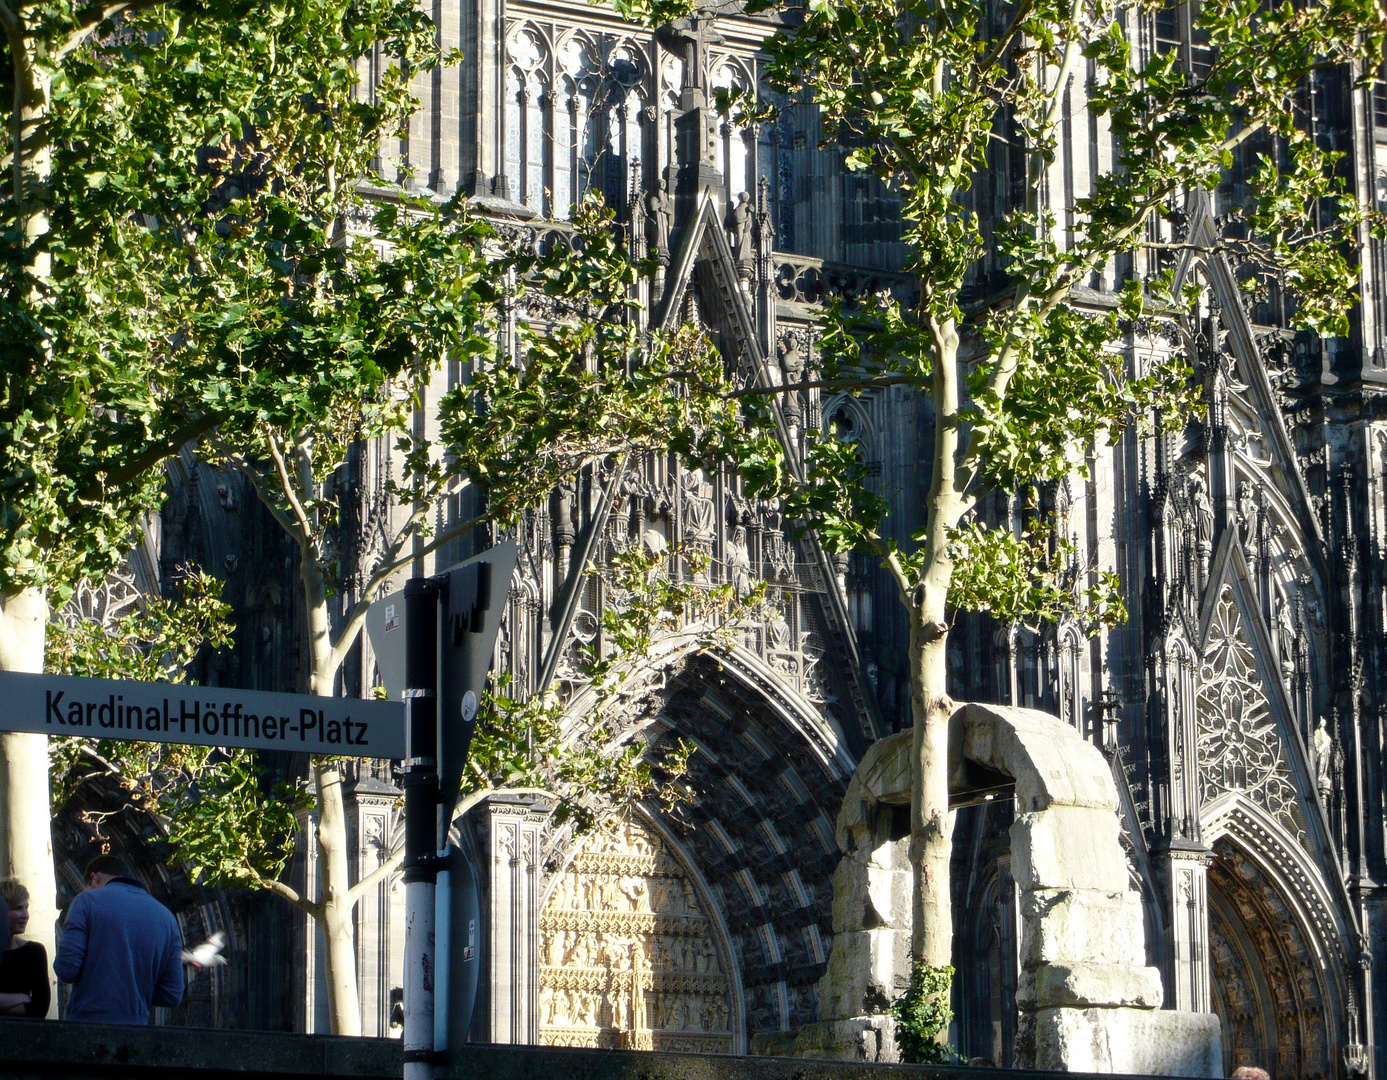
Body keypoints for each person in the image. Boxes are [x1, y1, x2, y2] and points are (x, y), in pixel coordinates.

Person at [53, 855, 183, 1024]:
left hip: (87, 1025)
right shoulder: (167, 917)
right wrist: (133, 992)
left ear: (94, 878)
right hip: (137, 1028)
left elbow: (67, 969)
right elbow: (173, 994)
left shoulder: (86, 901)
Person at [0, 878, 50, 1018]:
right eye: (17, 908)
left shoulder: (34, 952)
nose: (25, 916)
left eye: (26, 908)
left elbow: (40, 1009)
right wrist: (22, 997)